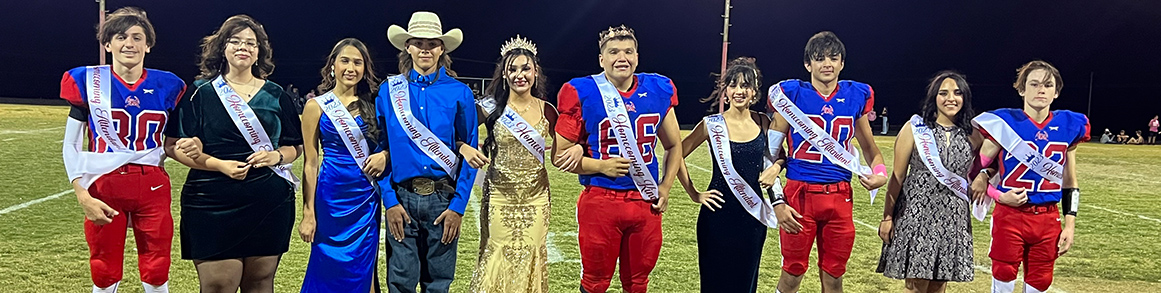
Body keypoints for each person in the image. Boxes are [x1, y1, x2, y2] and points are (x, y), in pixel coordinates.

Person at [164, 15, 303, 293]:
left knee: (260, 282)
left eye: (251, 43)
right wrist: (217, 164)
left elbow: (295, 146)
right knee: (218, 285)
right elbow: (172, 144)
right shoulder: (200, 92)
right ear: (222, 48)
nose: (244, 47)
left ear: (259, 51)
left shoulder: (276, 94)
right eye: (235, 41)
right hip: (211, 201)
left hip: (268, 202)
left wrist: (276, 156)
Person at [60, 7, 185, 293]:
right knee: (104, 269)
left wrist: (187, 146)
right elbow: (71, 144)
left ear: (148, 45)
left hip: (151, 184)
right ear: (107, 44)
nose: (129, 43)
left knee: (156, 267)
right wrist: (82, 195)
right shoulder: (88, 82)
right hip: (103, 184)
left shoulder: (168, 85)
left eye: (137, 37)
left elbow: (174, 140)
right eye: (120, 37)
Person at [554, 25, 684, 293]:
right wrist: (601, 165)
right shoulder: (581, 91)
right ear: (602, 59)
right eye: (613, 52)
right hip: (601, 199)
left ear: (637, 56)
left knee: (638, 282)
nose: (621, 58)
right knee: (594, 282)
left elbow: (673, 145)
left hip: (645, 202)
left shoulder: (658, 88)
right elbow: (559, 156)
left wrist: (666, 187)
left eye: (628, 51)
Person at [762, 31, 889, 293]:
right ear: (808, 64)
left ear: (842, 63)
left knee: (834, 275)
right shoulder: (791, 94)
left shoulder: (857, 95)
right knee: (793, 271)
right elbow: (769, 154)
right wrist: (777, 202)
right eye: (819, 59)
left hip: (840, 197)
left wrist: (880, 172)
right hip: (799, 195)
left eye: (833, 57)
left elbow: (870, 148)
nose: (827, 64)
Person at [455, 35, 566, 293]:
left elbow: (561, 153)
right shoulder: (489, 107)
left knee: (532, 253)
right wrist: (464, 147)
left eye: (525, 68)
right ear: (504, 74)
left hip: (536, 198)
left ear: (535, 72)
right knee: (496, 254)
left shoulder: (548, 110)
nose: (520, 75)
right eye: (512, 69)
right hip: (498, 198)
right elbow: (456, 134)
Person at [376, 11, 478, 293]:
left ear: (441, 48)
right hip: (401, 199)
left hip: (443, 200)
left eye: (432, 43)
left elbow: (470, 151)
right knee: (400, 283)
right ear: (407, 47)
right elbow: (379, 149)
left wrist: (457, 207)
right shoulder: (388, 91)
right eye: (418, 43)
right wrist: (389, 200)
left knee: (439, 285)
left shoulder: (459, 92)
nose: (425, 49)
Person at [970, 60, 1089, 293]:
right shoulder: (1003, 123)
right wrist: (998, 195)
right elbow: (975, 173)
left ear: (1056, 92)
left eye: (1047, 85)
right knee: (1003, 275)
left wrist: (1070, 224)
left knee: (1041, 281)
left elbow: (1070, 180)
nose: (1041, 89)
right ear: (1022, 89)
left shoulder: (1069, 124)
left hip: (1047, 216)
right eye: (1033, 84)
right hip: (1010, 216)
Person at [675, 57, 778, 293]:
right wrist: (694, 193)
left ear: (754, 91)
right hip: (716, 217)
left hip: (752, 219)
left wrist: (776, 168)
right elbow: (675, 154)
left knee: (745, 283)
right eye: (733, 85)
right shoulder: (711, 124)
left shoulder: (764, 122)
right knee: (713, 283)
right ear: (725, 90)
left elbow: (781, 156)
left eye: (745, 86)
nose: (739, 91)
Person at [876, 71, 981, 292]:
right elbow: (897, 178)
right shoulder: (915, 129)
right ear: (934, 97)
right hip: (917, 215)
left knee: (939, 284)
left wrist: (985, 175)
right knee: (916, 285)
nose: (951, 98)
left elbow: (991, 164)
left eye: (957, 93)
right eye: (943, 93)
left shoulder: (974, 134)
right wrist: (887, 217)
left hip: (953, 218)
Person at [298, 38, 386, 293]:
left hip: (365, 197)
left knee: (363, 267)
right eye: (344, 60)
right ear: (332, 66)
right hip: (330, 197)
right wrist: (308, 213)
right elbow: (311, 163)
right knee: (325, 264)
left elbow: (391, 145)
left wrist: (386, 157)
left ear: (364, 68)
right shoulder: (316, 106)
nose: (351, 67)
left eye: (357, 62)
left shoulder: (375, 103)